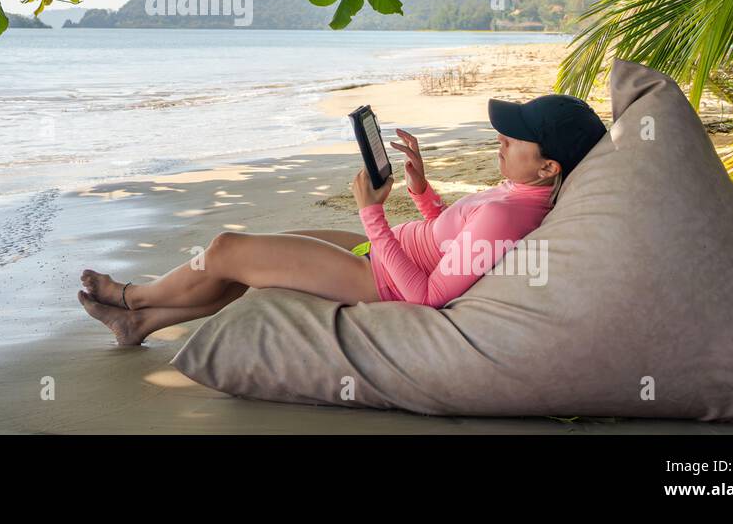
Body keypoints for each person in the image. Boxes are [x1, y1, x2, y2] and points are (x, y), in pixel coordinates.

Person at [78, 94, 606, 346]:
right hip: (382, 253)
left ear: (550, 164)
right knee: (251, 259)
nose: (501, 138)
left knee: (225, 249)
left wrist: (372, 214)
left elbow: (426, 296)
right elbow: (457, 238)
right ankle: (141, 324)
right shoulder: (521, 194)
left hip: (380, 277)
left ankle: (134, 298)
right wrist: (422, 193)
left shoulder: (508, 218)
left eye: (514, 137)